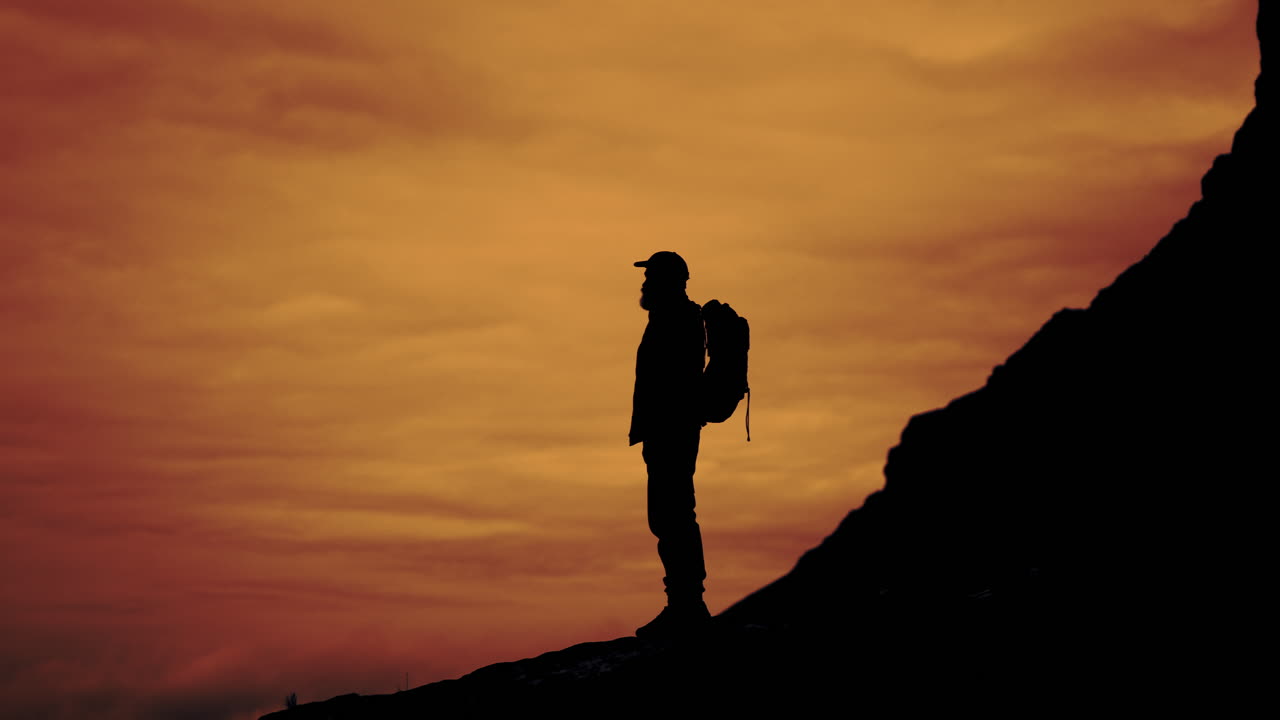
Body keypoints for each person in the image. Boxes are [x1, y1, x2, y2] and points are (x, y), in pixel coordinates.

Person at [630, 251, 711, 638]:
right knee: (668, 516)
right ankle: (683, 604)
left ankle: (687, 606)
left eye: (651, 277)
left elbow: (675, 380)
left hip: (673, 431)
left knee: (674, 515)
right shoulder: (671, 318)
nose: (644, 283)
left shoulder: (677, 320)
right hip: (667, 429)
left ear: (669, 281)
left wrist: (662, 423)